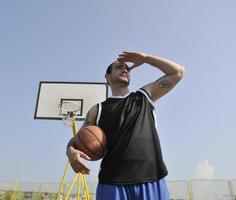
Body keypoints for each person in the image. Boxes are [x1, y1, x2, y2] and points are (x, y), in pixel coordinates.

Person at [66, 51, 185, 200]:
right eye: (119, 67)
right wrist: (70, 150)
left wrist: (146, 59)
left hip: (151, 178)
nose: (125, 70)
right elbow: (76, 140)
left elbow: (178, 72)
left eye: (127, 69)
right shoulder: (97, 110)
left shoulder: (144, 96)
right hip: (112, 182)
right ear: (107, 77)